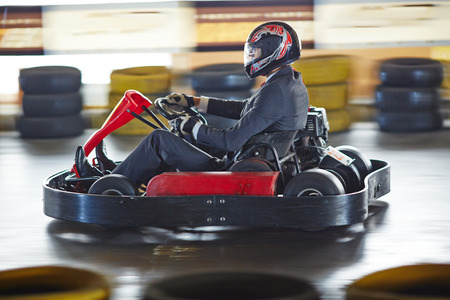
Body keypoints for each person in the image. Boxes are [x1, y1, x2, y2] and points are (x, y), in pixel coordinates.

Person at [107, 20, 309, 188]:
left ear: (273, 51)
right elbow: (245, 109)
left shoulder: (276, 91)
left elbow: (231, 141)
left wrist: (191, 126)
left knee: (159, 140)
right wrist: (194, 102)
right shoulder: (289, 81)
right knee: (185, 137)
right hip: (252, 154)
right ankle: (137, 179)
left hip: (229, 166)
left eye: (255, 51)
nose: (251, 56)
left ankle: (111, 184)